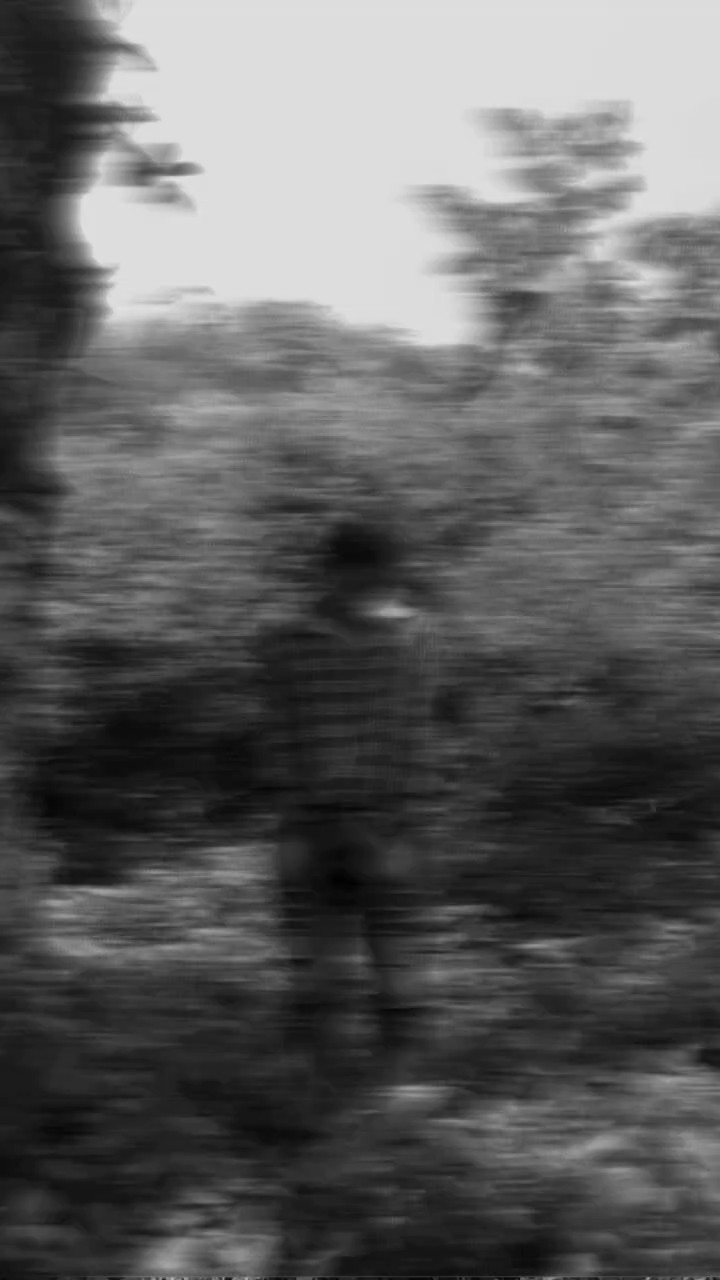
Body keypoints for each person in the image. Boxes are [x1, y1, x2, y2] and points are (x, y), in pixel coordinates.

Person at [258, 513, 453, 1124]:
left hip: (372, 823)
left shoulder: (412, 635)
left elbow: (411, 734)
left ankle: (375, 1087)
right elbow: (284, 737)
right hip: (336, 824)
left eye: (381, 576)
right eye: (367, 575)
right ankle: (319, 1090)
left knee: (389, 960)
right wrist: (334, 818)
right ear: (335, 573)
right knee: (328, 961)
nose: (376, 587)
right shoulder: (288, 641)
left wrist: (387, 818)